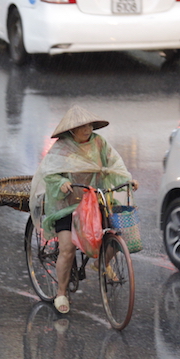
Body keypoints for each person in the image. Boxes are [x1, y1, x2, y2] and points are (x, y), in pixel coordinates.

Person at [29, 106, 137, 314]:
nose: (87, 129)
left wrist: (128, 180)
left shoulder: (99, 142)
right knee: (67, 249)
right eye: (81, 127)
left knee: (119, 233)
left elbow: (114, 164)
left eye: (88, 125)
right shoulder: (61, 148)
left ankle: (101, 263)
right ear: (71, 131)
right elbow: (49, 173)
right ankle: (61, 292)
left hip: (94, 199)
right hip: (66, 205)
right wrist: (60, 182)